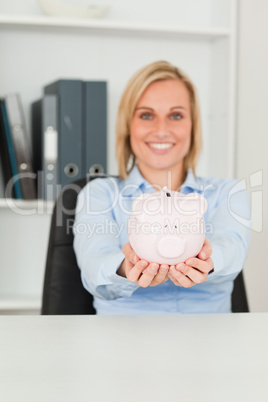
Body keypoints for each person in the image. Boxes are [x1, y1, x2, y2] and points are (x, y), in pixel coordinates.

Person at [73, 60, 250, 315]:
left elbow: (231, 249)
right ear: (128, 125)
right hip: (123, 342)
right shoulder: (99, 194)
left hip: (208, 341)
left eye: (176, 115)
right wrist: (127, 267)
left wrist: (205, 261)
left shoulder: (227, 193)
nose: (161, 130)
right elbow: (94, 265)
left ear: (193, 125)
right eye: (147, 115)